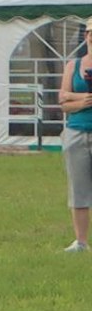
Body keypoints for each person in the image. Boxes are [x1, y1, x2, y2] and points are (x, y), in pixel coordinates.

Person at [58, 25, 92, 253]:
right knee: (78, 188)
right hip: (76, 132)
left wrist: (73, 99)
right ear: (87, 36)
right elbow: (63, 101)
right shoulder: (74, 65)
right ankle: (80, 242)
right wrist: (82, 100)